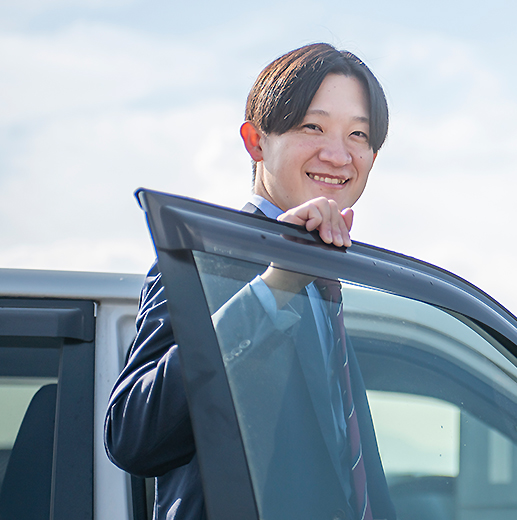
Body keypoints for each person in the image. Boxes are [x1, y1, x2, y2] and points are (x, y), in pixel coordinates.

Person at [105, 43, 395, 520]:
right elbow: (133, 434)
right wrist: (274, 288)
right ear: (255, 141)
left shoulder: (332, 278)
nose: (338, 154)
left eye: (358, 135)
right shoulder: (207, 261)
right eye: (312, 126)